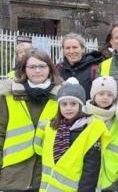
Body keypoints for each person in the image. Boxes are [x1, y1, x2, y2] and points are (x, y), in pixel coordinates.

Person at [0, 49, 62, 190]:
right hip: (14, 176)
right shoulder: (8, 96)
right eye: (32, 67)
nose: (37, 70)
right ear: (24, 70)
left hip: (48, 174)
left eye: (42, 66)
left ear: (50, 69)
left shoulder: (62, 97)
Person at [34, 77, 109, 192]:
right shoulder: (51, 127)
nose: (68, 108)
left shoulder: (90, 128)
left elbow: (91, 169)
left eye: (73, 104)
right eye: (64, 104)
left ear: (80, 105)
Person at [84, 76, 118, 192]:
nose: (105, 97)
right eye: (101, 93)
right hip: (87, 177)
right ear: (93, 95)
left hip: (113, 179)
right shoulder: (84, 117)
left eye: (109, 95)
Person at [57, 32, 104, 97]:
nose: (71, 51)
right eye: (67, 48)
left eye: (75, 47)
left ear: (82, 49)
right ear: (63, 50)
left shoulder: (95, 68)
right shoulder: (57, 69)